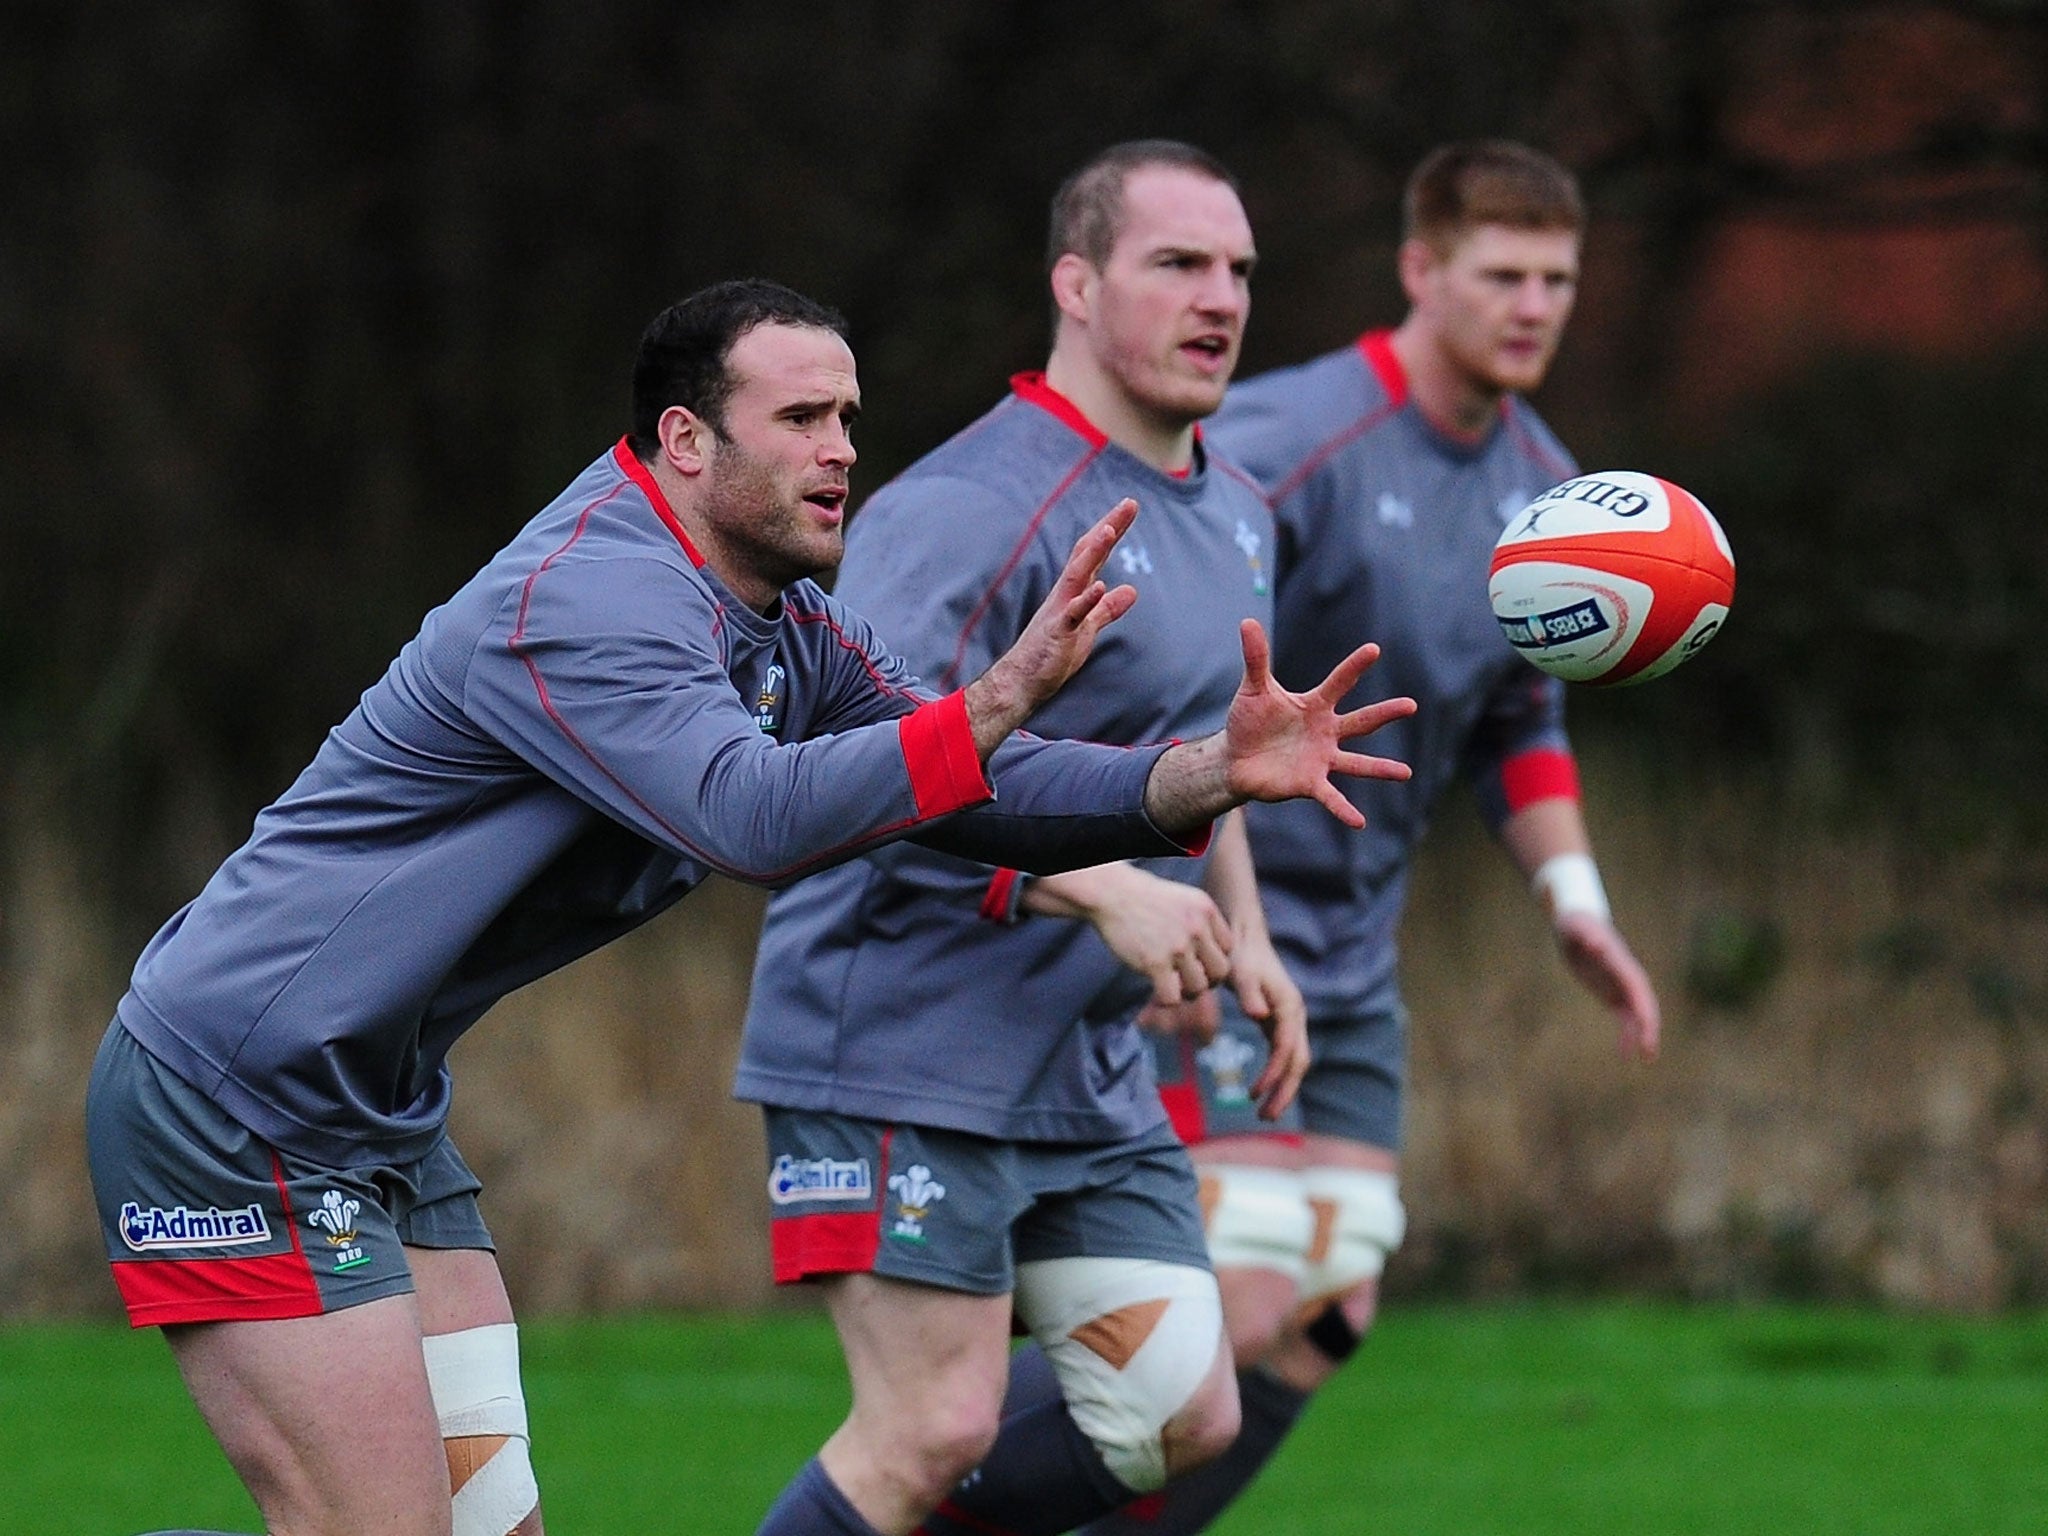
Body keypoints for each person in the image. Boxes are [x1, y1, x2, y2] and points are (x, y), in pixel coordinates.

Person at [87, 277, 1416, 1536]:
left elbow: (966, 790)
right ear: (683, 440)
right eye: (798, 420)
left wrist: (1203, 778)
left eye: (846, 417)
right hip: (234, 1094)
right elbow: (755, 818)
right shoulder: (592, 599)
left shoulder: (781, 623)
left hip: (375, 1102)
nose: (840, 449)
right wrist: (996, 695)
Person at [738, 144, 1413, 1536]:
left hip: (1079, 1064)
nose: (1220, 296)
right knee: (932, 1428)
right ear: (1076, 283)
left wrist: (1251, 938)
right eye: (1178, 263)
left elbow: (1200, 756)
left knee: (1183, 1407)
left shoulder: (1231, 508)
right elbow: (858, 773)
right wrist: (1106, 896)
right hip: (898, 1040)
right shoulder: (967, 507)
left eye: (1238, 270)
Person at [1066, 139, 1665, 1536]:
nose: (1535, 305)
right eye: (1502, 274)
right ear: (1420, 271)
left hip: (1354, 956)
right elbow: (1151, 637)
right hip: (1215, 924)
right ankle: (937, 1491)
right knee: (1253, 1283)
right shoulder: (1292, 437)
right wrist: (1138, 889)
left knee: (1332, 1304)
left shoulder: (1550, 490)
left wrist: (1576, 902)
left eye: (1559, 280)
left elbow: (1522, 718)